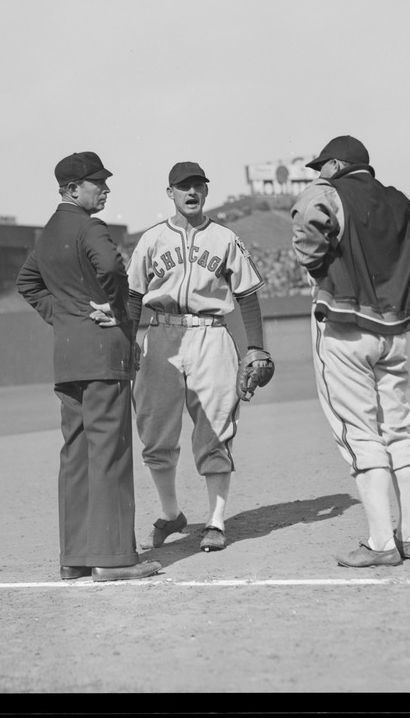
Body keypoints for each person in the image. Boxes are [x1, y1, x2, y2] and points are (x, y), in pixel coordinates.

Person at [290, 135, 410, 567]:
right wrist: (403, 267)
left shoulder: (328, 192)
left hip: (346, 328)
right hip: (392, 329)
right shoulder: (401, 200)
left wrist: (317, 262)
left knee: (360, 434)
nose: (318, 171)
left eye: (322, 164)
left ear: (339, 165)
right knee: (398, 430)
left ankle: (382, 543)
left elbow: (309, 221)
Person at [16, 151, 163, 582]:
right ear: (71, 190)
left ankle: (75, 558)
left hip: (68, 357)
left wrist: (64, 315)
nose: (105, 188)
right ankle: (114, 560)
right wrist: (119, 313)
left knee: (76, 455)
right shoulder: (89, 227)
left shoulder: (46, 234)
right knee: (111, 454)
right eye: (97, 183)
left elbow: (26, 283)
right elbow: (113, 269)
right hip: (102, 353)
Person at [122, 161, 272, 553]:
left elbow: (247, 296)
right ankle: (171, 513)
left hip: (211, 335)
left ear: (206, 192)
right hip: (162, 335)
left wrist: (254, 345)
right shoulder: (151, 240)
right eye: (183, 187)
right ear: (169, 193)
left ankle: (216, 521)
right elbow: (133, 297)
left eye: (198, 187)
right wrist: (127, 341)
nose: (191, 193)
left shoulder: (224, 238)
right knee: (154, 432)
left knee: (216, 428)